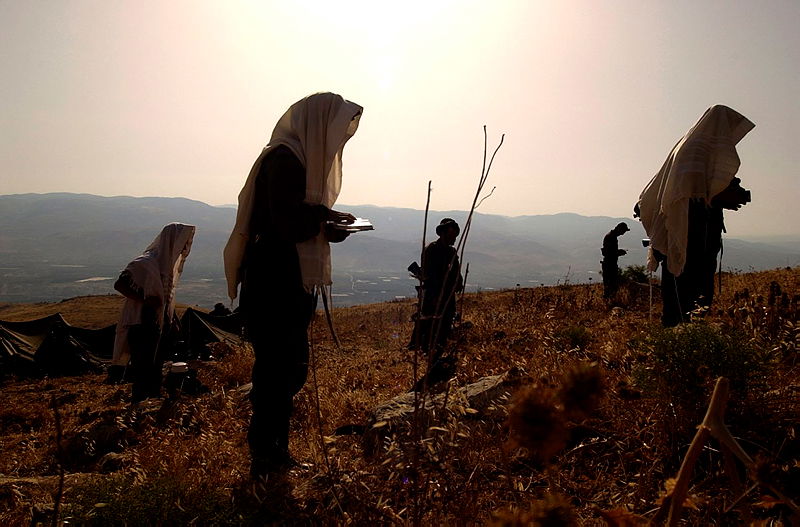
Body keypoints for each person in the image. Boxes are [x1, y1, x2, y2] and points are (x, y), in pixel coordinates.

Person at [223, 92, 362, 479]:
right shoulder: (284, 160)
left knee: (288, 368)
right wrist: (322, 217)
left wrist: (327, 225)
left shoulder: (297, 161)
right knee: (278, 370)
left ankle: (271, 449)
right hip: (274, 279)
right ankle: (267, 455)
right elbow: (286, 224)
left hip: (286, 278)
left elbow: (297, 223)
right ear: (317, 125)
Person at [636, 105, 754, 326]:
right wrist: (723, 197)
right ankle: (681, 332)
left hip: (692, 227)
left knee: (682, 282)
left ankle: (680, 329)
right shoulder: (698, 149)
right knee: (688, 283)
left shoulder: (691, 146)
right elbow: (692, 191)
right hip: (692, 229)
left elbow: (697, 188)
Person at [112, 223, 195, 402]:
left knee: (155, 365)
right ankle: (139, 404)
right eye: (183, 242)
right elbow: (120, 284)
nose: (185, 247)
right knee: (143, 366)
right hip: (141, 322)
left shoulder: (166, 266)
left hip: (157, 323)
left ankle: (152, 401)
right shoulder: (146, 262)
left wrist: (172, 320)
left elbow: (165, 299)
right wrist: (145, 300)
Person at [410, 218, 464, 366]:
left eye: (454, 235)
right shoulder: (432, 249)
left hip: (447, 294)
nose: (453, 238)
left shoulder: (452, 252)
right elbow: (428, 273)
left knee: (446, 321)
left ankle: (438, 350)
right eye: (450, 235)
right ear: (442, 233)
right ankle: (424, 350)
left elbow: (456, 271)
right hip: (434, 293)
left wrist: (459, 282)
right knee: (429, 321)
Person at [601, 222, 629, 299]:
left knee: (611, 285)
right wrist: (619, 252)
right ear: (619, 229)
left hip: (610, 264)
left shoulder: (612, 236)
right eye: (623, 231)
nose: (623, 233)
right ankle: (609, 301)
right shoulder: (611, 237)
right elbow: (608, 253)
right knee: (610, 285)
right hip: (609, 265)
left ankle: (610, 300)